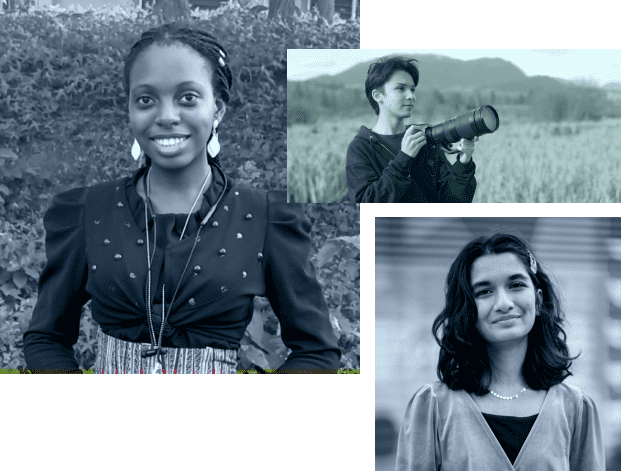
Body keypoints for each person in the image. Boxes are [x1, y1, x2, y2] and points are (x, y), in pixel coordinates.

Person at [22, 24, 341, 374]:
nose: (166, 116)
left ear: (217, 109)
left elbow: (316, 350)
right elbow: (46, 338)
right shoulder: (89, 211)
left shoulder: (263, 217)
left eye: (187, 98)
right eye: (146, 100)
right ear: (128, 109)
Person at [395, 233, 605, 470]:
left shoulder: (575, 407)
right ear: (466, 308)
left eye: (516, 285)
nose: (504, 303)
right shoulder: (432, 405)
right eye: (484, 291)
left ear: (537, 301)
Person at [346, 56, 477, 203]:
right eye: (400, 88)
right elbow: (365, 203)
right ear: (378, 95)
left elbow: (452, 202)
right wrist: (404, 159)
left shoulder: (425, 139)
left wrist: (464, 163)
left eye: (412, 89)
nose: (411, 96)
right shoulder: (360, 148)